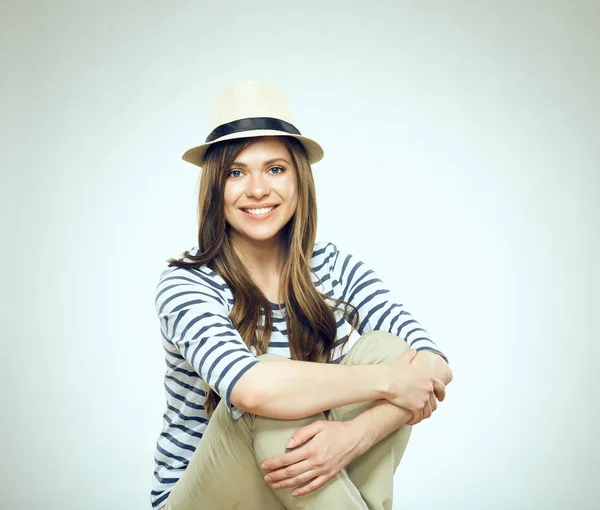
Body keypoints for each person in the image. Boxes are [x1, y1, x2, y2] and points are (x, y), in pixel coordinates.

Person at [151, 81, 452, 510]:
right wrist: (388, 383)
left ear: (298, 178)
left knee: (386, 348)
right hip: (206, 499)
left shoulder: (332, 266)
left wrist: (352, 438)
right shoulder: (187, 282)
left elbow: (433, 364)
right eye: (237, 172)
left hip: (298, 489)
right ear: (216, 186)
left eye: (275, 169)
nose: (257, 189)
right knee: (271, 394)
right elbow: (253, 390)